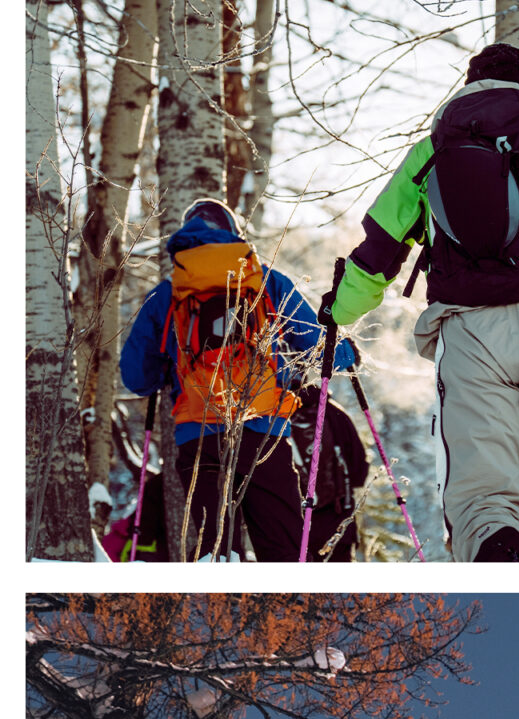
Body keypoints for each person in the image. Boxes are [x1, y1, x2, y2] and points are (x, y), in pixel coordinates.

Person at [330, 45, 519, 562]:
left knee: (483, 498)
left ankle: (497, 574)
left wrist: (339, 312)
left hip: (470, 333)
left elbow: (380, 248)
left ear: (469, 85)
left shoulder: (431, 153)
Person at [118, 198, 364, 561]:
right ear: (234, 234)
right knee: (284, 550)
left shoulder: (167, 293)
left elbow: (136, 378)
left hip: (199, 435)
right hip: (264, 433)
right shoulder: (266, 281)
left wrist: (166, 369)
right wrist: (346, 353)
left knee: (214, 549)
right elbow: (315, 348)